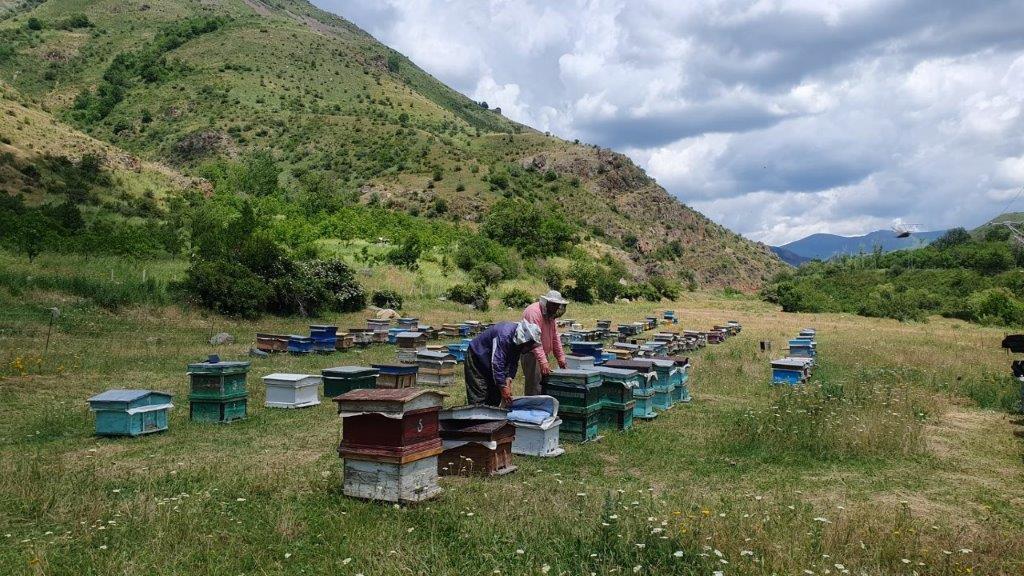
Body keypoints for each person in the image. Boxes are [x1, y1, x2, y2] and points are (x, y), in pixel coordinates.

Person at [465, 319, 542, 407]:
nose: (528, 348)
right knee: (479, 395)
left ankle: (491, 414)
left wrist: (508, 380)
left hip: (491, 362)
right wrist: (503, 387)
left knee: (494, 396)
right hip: (477, 358)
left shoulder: (517, 342)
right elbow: (497, 363)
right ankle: (477, 414)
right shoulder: (504, 335)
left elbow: (513, 362)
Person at [520, 290, 568, 396]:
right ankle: (531, 406)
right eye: (554, 305)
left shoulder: (550, 315)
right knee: (535, 387)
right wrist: (543, 361)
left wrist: (560, 357)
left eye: (558, 305)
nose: (556, 308)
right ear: (547, 302)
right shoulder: (533, 312)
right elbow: (533, 340)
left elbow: (555, 337)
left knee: (543, 386)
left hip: (542, 354)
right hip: (531, 354)